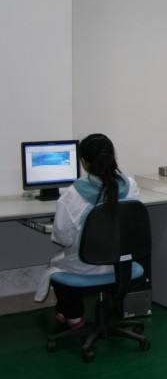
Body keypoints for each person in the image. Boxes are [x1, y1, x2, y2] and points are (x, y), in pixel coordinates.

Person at [34, 133, 140, 329]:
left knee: (56, 265)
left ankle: (73, 316)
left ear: (83, 162)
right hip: (121, 265)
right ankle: (75, 312)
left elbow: (62, 238)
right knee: (63, 262)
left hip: (86, 265)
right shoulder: (130, 186)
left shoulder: (73, 194)